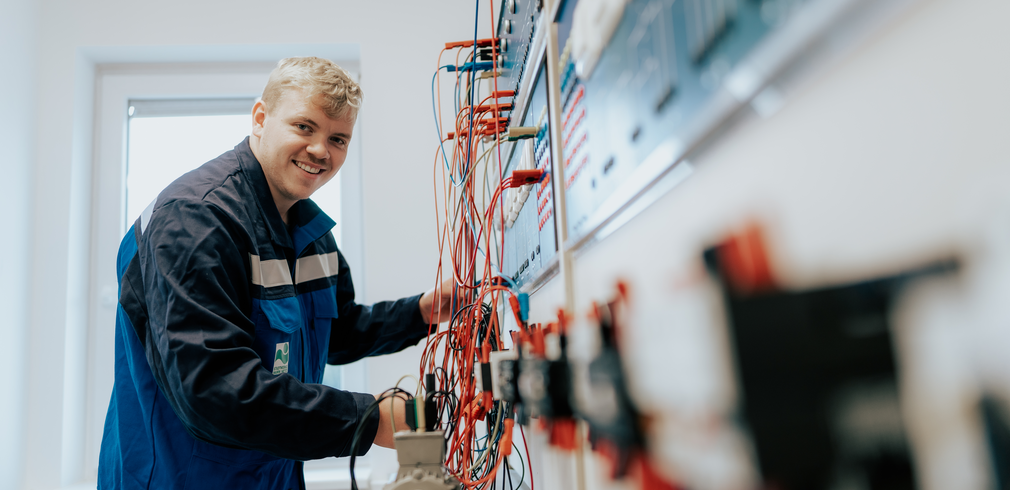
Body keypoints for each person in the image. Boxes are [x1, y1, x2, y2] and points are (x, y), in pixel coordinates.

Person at [98, 57, 452, 489]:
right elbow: (214, 390)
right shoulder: (196, 220)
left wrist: (422, 312)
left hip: (274, 475)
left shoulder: (309, 231)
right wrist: (368, 420)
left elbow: (333, 333)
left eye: (338, 138)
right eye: (305, 127)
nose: (321, 150)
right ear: (261, 118)